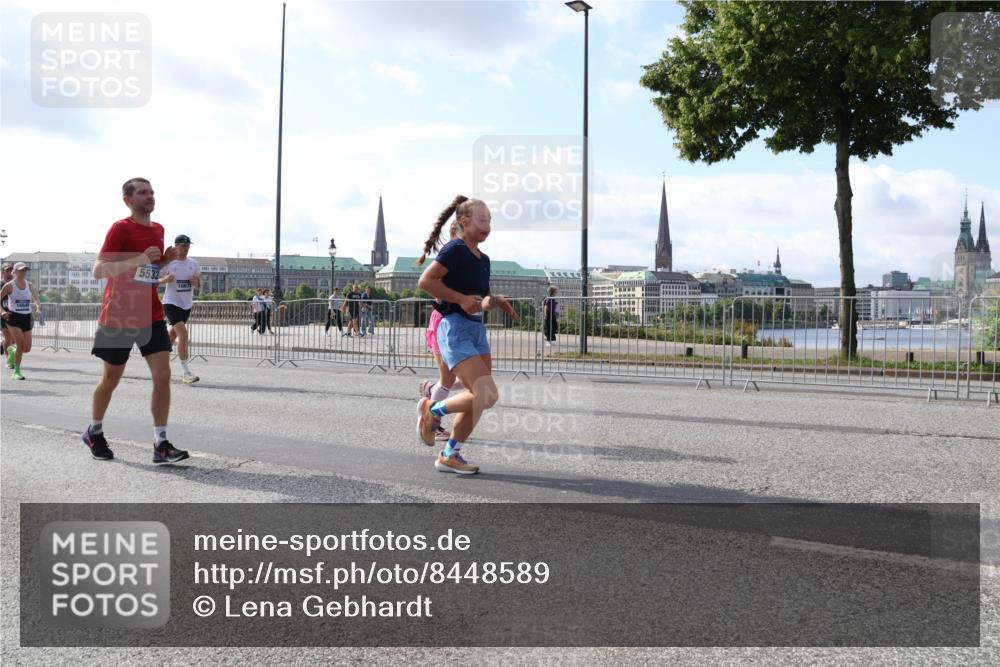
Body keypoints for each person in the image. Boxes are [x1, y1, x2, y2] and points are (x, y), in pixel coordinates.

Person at [81, 177, 189, 464]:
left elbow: (148, 274)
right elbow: (98, 271)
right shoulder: (120, 228)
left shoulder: (159, 229)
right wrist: (139, 259)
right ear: (128, 200)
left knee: (163, 374)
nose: (149, 196)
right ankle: (94, 431)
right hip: (119, 314)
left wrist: (162, 261)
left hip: (150, 313)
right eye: (142, 192)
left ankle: (160, 443)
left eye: (152, 191)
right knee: (111, 378)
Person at [416, 195, 518, 475]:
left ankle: (450, 454)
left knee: (481, 397)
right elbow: (425, 281)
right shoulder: (455, 249)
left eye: (490, 221)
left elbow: (481, 299)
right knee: (487, 394)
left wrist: (495, 300)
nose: (487, 225)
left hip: (475, 329)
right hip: (455, 327)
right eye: (482, 220)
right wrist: (459, 298)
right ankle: (432, 411)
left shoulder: (483, 259)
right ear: (463, 221)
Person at [417, 219, 463, 442]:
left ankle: (431, 394)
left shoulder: (465, 258)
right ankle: (431, 422)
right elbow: (432, 288)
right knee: (449, 379)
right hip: (445, 321)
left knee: (471, 379)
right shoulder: (449, 258)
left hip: (459, 323)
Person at [160, 234, 202, 384]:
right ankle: (186, 373)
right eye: (183, 245)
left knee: (172, 336)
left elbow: (198, 283)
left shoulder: (194, 263)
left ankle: (160, 362)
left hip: (186, 305)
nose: (186, 248)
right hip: (171, 303)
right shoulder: (168, 264)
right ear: (176, 245)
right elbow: (154, 282)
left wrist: (195, 282)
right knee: (183, 334)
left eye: (188, 246)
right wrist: (164, 280)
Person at [0, 262, 42, 380]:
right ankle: (17, 372)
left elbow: (36, 299)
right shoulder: (9, 285)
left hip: (26, 317)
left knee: (26, 348)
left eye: (25, 270)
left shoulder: (29, 285)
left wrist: (38, 308)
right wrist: (2, 311)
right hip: (13, 317)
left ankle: (11, 350)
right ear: (15, 272)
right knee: (20, 344)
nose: (23, 273)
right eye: (21, 270)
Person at [1, 263, 14, 368]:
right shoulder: (0, 285)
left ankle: (3, 344)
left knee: (14, 339)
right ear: (3, 272)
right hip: (3, 314)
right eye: (7, 270)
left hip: (15, 314)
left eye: (11, 270)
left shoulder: (16, 285)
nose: (9, 272)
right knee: (8, 337)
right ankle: (9, 360)